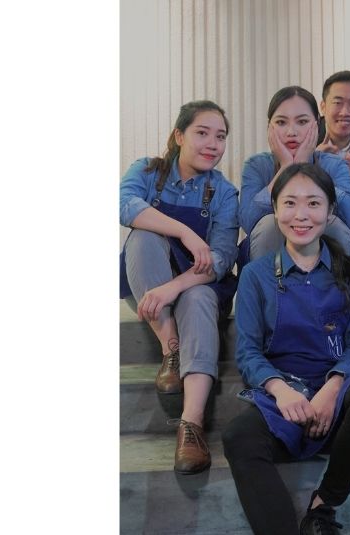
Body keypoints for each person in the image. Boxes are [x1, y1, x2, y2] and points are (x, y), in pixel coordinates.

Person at [223, 163, 350, 535]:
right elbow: (248, 353)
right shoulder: (255, 275)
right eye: (290, 203)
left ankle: (322, 509)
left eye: (313, 203)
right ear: (275, 210)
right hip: (283, 397)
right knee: (239, 436)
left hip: (338, 396)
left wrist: (331, 390)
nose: (301, 215)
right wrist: (281, 390)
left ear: (330, 211)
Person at [119, 100, 239, 474]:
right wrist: (184, 231)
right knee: (143, 236)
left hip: (195, 285)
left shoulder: (224, 192)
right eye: (202, 133)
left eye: (220, 137)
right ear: (179, 135)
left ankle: (191, 425)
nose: (213, 144)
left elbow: (221, 258)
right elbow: (123, 205)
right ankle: (171, 347)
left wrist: (174, 287)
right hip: (147, 280)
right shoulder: (147, 170)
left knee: (199, 296)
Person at [239, 86, 350, 262]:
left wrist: (307, 171)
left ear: (317, 125)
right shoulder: (257, 165)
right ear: (269, 128)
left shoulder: (334, 164)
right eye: (281, 122)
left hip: (325, 265)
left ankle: (337, 281)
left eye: (302, 122)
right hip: (269, 266)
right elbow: (248, 221)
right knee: (268, 225)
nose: (292, 132)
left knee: (335, 225)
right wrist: (287, 168)